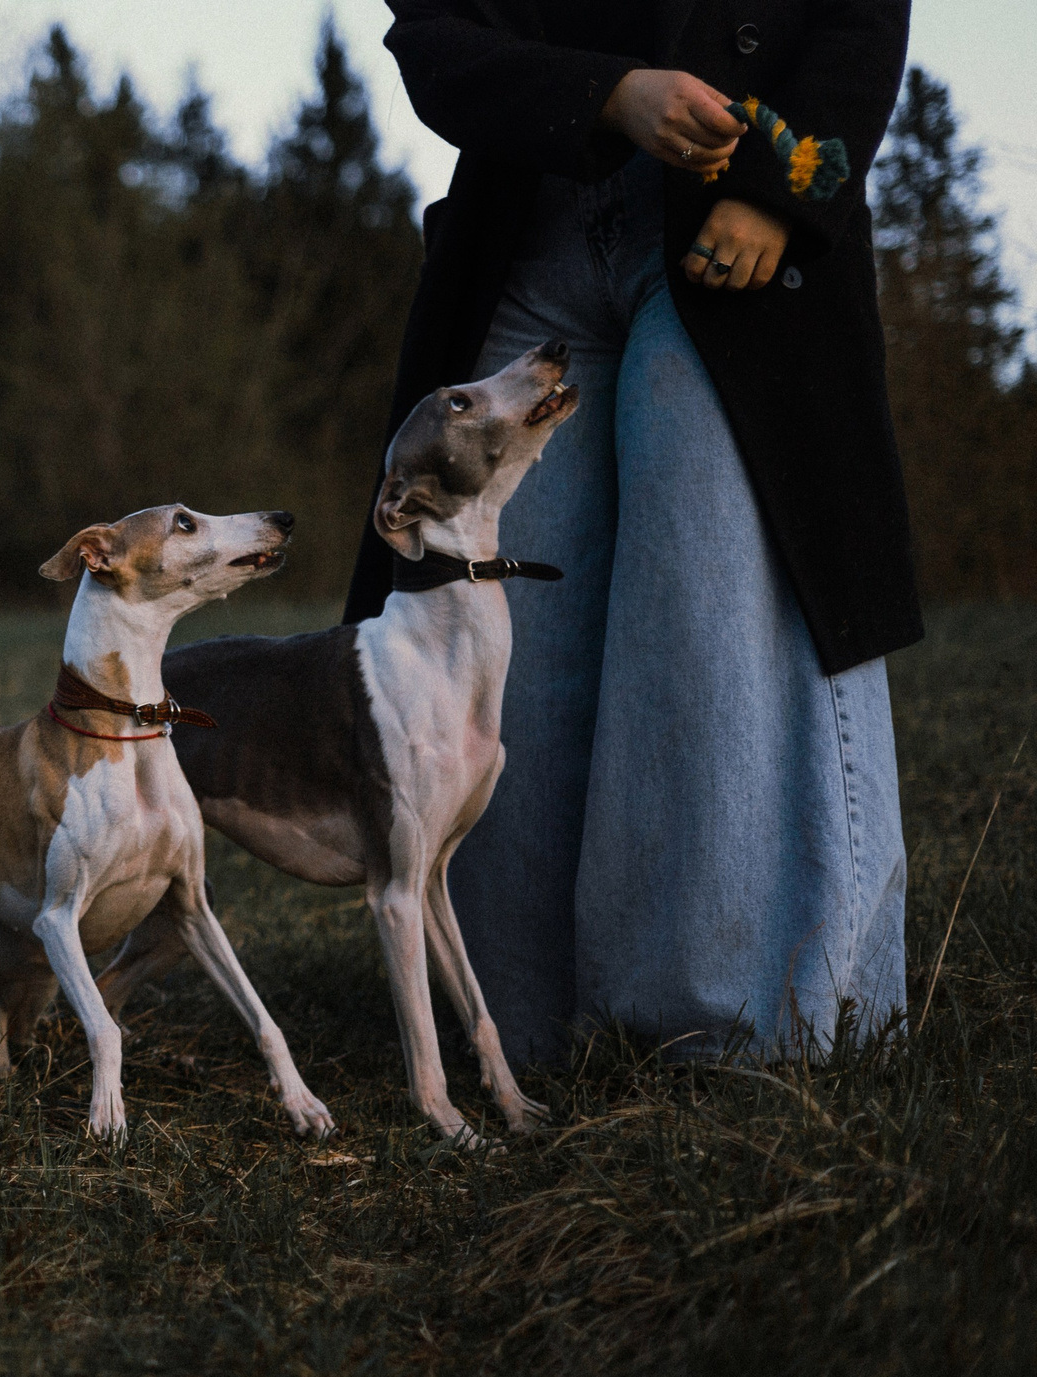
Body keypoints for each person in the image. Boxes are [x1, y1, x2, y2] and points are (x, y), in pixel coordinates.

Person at [344, 2, 917, 1064]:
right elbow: (430, 27)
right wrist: (606, 94)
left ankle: (734, 1034)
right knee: (501, 642)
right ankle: (518, 1029)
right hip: (529, 222)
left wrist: (777, 189)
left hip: (731, 219)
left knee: (708, 616)